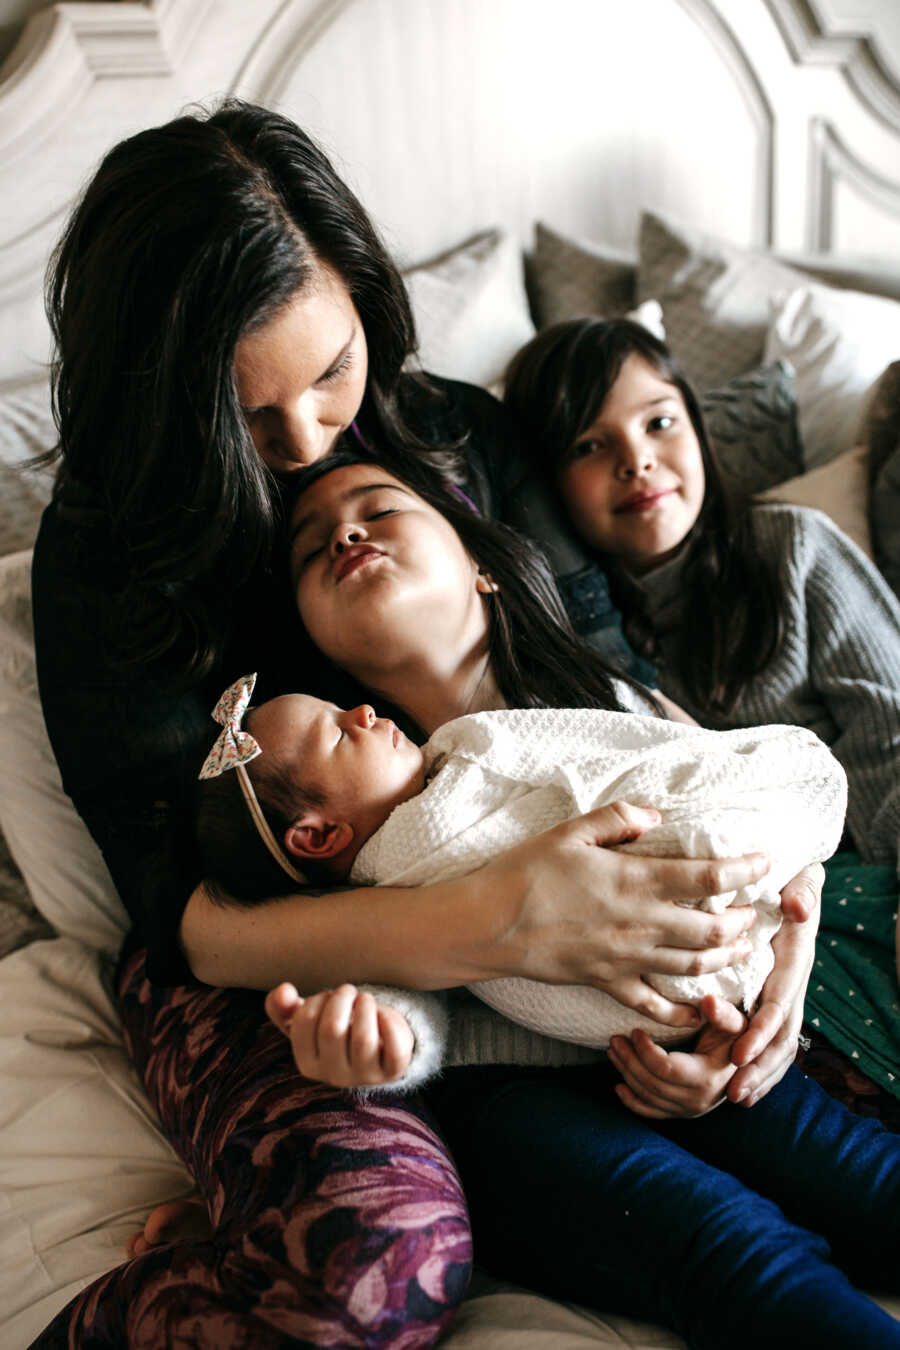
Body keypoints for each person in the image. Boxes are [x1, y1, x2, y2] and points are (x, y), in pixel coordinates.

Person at [27, 101, 787, 1348]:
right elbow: (182, 917)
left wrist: (769, 966)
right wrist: (499, 920)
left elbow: (627, 706)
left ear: (366, 296)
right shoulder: (110, 554)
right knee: (375, 1277)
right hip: (257, 970)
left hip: (543, 911)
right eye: (243, 413)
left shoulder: (458, 443)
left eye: (330, 373)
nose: (307, 440)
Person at [252, 449, 898, 1349]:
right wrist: (378, 1039)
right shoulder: (365, 834)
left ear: (481, 567)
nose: (348, 535)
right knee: (724, 1247)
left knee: (864, 1179)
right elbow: (403, 992)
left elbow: (763, 800)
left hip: (683, 1030)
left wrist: (764, 1006)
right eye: (313, 547)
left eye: (377, 510)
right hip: (510, 1090)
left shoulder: (609, 701)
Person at [503, 315, 900, 1094]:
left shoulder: (792, 547)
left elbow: (893, 740)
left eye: (658, 421)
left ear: (695, 422)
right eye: (590, 445)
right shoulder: (567, 645)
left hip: (861, 884)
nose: (637, 459)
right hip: (718, 949)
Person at [194, 674, 846, 1086]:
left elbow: (670, 766)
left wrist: (793, 910)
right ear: (316, 836)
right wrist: (381, 1039)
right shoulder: (380, 903)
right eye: (337, 733)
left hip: (737, 916)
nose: (362, 711)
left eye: (344, 706)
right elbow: (416, 999)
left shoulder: (492, 737)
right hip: (677, 1017)